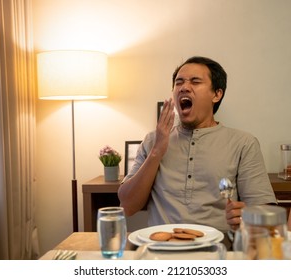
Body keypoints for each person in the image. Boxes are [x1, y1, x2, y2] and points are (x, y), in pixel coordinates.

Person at [118, 56, 276, 233]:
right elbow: (128, 206)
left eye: (195, 81)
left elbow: (266, 213)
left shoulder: (243, 143)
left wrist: (247, 215)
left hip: (219, 251)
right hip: (161, 251)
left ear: (217, 94)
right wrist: (156, 152)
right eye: (179, 83)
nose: (184, 87)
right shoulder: (152, 141)